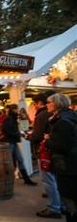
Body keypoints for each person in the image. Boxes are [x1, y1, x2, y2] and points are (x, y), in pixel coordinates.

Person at [26, 93, 64, 218]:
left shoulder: (42, 115)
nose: (34, 107)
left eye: (34, 104)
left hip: (46, 151)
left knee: (49, 180)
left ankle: (54, 208)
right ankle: (61, 205)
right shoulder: (56, 115)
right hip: (56, 152)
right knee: (56, 180)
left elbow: (38, 135)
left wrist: (29, 136)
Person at [45, 94, 77, 222]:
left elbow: (63, 146)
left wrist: (48, 140)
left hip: (67, 165)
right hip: (72, 163)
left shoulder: (62, 122)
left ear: (57, 104)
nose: (47, 104)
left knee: (69, 198)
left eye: (49, 102)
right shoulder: (71, 116)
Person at [1, 104, 37, 186]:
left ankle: (26, 179)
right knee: (9, 161)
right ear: (13, 110)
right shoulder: (10, 118)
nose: (18, 110)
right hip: (10, 142)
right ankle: (6, 180)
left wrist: (20, 133)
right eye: (17, 109)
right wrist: (18, 134)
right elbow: (5, 130)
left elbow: (20, 127)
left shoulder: (13, 118)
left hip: (13, 142)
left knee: (19, 159)